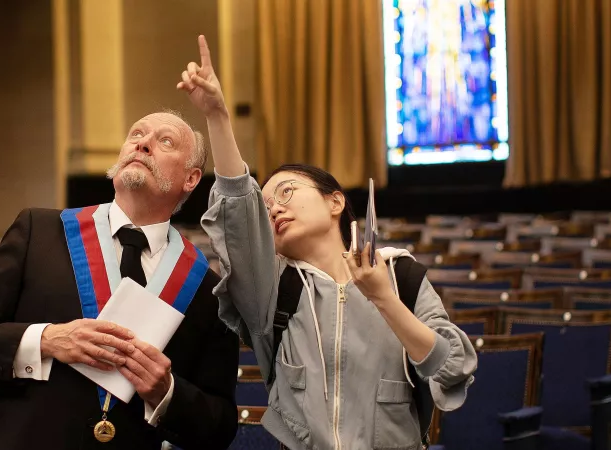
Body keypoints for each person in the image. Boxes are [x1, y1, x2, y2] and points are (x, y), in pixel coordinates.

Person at [178, 35, 477, 449]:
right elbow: (239, 225)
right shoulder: (274, 291)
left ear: (335, 201)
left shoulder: (400, 274)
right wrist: (218, 117)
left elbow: (453, 368)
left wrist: (383, 298)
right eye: (265, 207)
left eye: (287, 192)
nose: (275, 209)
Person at [0, 110, 240, 450]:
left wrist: (166, 392)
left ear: (191, 179)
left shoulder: (207, 289)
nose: (142, 144)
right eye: (136, 134)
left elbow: (220, 427)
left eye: (164, 141)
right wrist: (48, 339)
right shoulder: (39, 231)